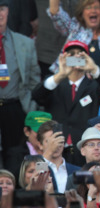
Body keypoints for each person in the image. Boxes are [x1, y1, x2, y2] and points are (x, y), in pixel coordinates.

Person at [32, 40, 100, 165]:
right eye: (71, 54)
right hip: (56, 149)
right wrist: (60, 74)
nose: (76, 57)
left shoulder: (94, 86)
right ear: (63, 58)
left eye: (80, 54)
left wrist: (94, 69)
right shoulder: (55, 83)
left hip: (84, 149)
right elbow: (37, 96)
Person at [0, 0, 41, 177]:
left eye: (1, 9)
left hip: (16, 109)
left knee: (16, 157)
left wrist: (31, 112)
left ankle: (12, 196)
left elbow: (34, 83)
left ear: (8, 11)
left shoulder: (25, 43)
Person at [47, 0, 100, 73]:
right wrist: (83, 64)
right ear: (82, 13)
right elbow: (55, 12)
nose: (93, 11)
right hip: (74, 81)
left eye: (96, 7)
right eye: (88, 8)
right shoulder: (75, 29)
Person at [37, 121, 80, 192]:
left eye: (58, 139)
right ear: (40, 145)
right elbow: (37, 175)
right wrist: (50, 152)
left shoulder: (78, 171)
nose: (55, 144)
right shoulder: (39, 167)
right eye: (49, 141)